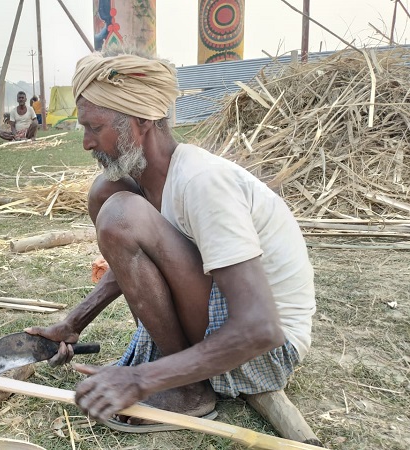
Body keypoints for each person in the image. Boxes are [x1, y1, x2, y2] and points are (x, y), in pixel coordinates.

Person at [25, 49, 315, 432]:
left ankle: (190, 390)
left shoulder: (201, 182)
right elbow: (142, 260)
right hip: (223, 324)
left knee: (119, 214)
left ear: (141, 120)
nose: (86, 143)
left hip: (265, 352)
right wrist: (73, 323)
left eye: (94, 127)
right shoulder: (150, 180)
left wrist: (141, 379)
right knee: (106, 193)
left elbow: (261, 328)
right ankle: (177, 368)